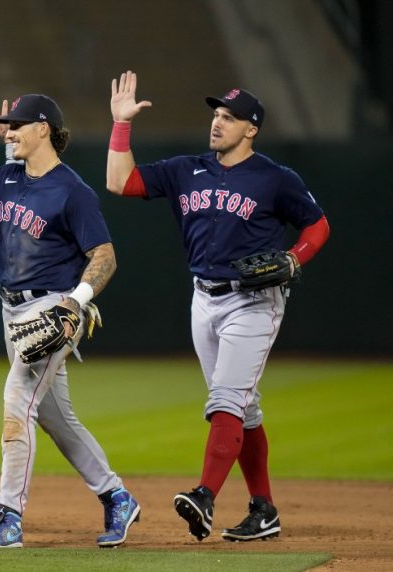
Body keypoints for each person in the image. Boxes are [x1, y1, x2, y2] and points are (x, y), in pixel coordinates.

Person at [105, 71, 330, 542]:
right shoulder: (187, 169)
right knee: (242, 411)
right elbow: (120, 181)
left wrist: (293, 257)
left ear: (251, 129)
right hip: (202, 299)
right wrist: (121, 125)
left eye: (230, 117)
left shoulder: (275, 178)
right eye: (216, 115)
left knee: (225, 400)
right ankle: (263, 510)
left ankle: (204, 497)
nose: (218, 123)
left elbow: (318, 227)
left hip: (254, 302)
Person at [0, 94, 141, 548]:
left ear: (44, 129)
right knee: (56, 417)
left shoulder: (72, 190)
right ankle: (117, 496)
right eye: (6, 124)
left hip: (53, 307)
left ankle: (9, 519)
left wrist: (75, 302)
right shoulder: (4, 179)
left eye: (17, 124)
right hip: (11, 309)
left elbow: (105, 256)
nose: (8, 130)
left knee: (18, 400)